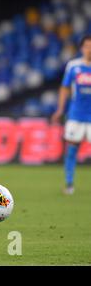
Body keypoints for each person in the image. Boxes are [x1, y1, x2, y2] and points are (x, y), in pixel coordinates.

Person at [51, 35, 91, 195]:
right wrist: (60, 109)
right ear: (82, 48)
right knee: (72, 150)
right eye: (87, 46)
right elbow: (65, 88)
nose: (90, 49)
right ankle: (69, 184)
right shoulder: (74, 66)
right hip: (76, 115)